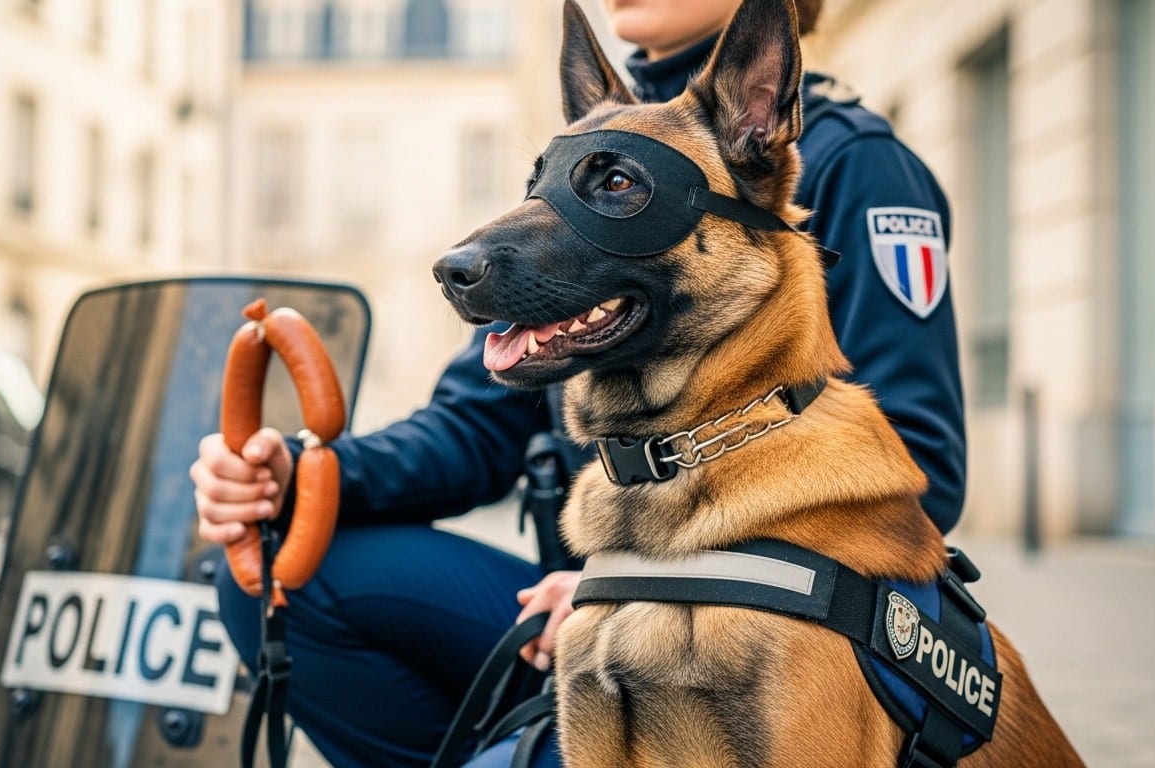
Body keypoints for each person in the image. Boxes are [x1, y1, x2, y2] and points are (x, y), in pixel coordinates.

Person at [191, 1, 965, 766]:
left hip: (764, 618)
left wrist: (649, 587)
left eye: (620, 187)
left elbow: (917, 463)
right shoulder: (597, 138)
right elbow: (474, 427)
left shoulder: (852, 158)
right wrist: (305, 473)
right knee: (278, 580)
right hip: (576, 599)